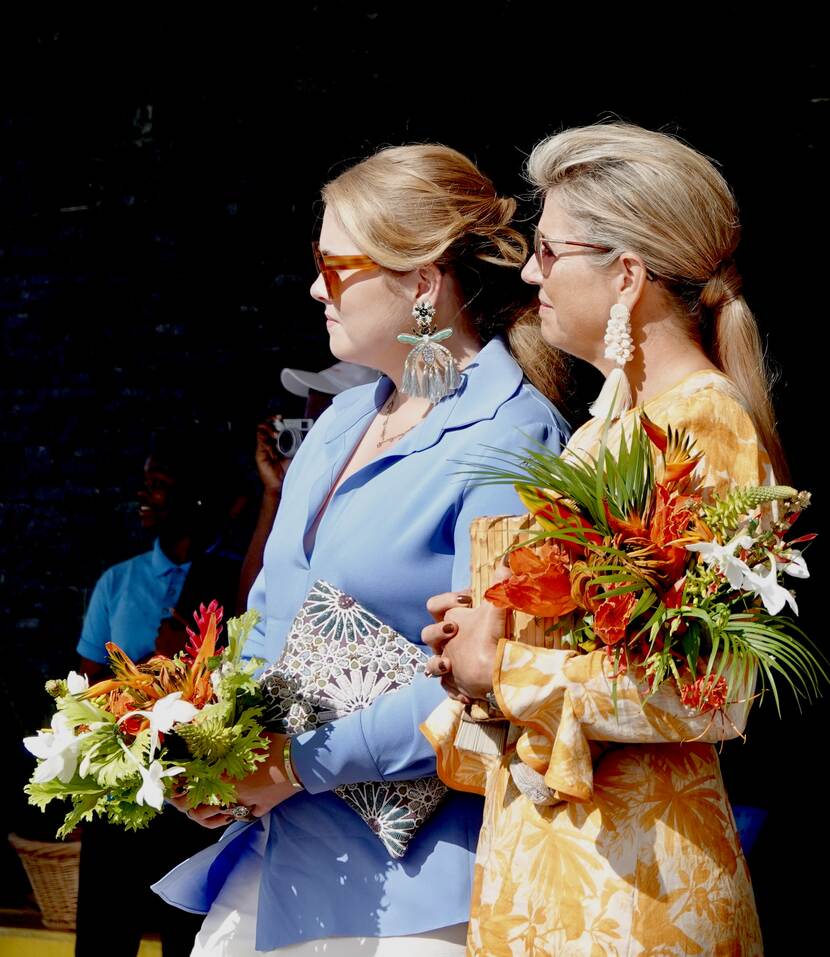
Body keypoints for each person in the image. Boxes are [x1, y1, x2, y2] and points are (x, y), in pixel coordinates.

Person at [154, 143, 569, 954]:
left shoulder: (513, 435)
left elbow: (494, 682)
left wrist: (292, 766)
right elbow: (270, 621)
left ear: (421, 282)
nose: (316, 287)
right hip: (273, 860)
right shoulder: (340, 423)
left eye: (333, 264)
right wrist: (218, 754)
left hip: (416, 890)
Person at [421, 122, 781, 956]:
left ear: (626, 275)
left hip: (633, 899)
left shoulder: (701, 424)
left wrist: (502, 665)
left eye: (549, 250)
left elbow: (712, 691)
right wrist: (478, 647)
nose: (528, 271)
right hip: (567, 883)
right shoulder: (610, 429)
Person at [75, 430, 245, 957]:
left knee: (186, 936)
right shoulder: (118, 581)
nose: (144, 496)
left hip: (195, 795)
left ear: (195, 497)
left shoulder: (231, 578)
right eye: (144, 484)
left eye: (159, 485)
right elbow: (83, 690)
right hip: (125, 787)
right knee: (105, 931)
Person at [236, 361, 377, 611]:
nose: (314, 421)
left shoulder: (374, 493)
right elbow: (249, 612)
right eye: (308, 419)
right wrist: (275, 493)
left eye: (331, 407)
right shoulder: (301, 491)